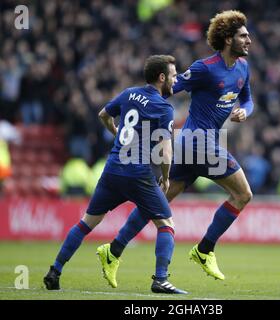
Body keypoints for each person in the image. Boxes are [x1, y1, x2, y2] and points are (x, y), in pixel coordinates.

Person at [109, 10, 254, 281]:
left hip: (190, 145)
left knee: (158, 202)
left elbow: (248, 99)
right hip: (200, 142)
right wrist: (137, 104)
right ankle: (204, 249)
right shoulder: (205, 68)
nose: (249, 40)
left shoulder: (243, 68)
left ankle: (114, 249)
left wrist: (245, 110)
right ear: (227, 39)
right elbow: (166, 88)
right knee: (243, 195)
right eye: (243, 36)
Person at [43, 55, 187, 294]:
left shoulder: (129, 93)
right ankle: (160, 279)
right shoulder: (163, 108)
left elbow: (103, 114)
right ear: (161, 77)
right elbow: (165, 150)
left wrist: (117, 132)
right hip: (138, 173)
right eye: (173, 75)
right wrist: (166, 177)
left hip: (112, 169)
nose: (175, 79)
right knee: (166, 225)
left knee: (86, 223)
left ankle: (55, 271)